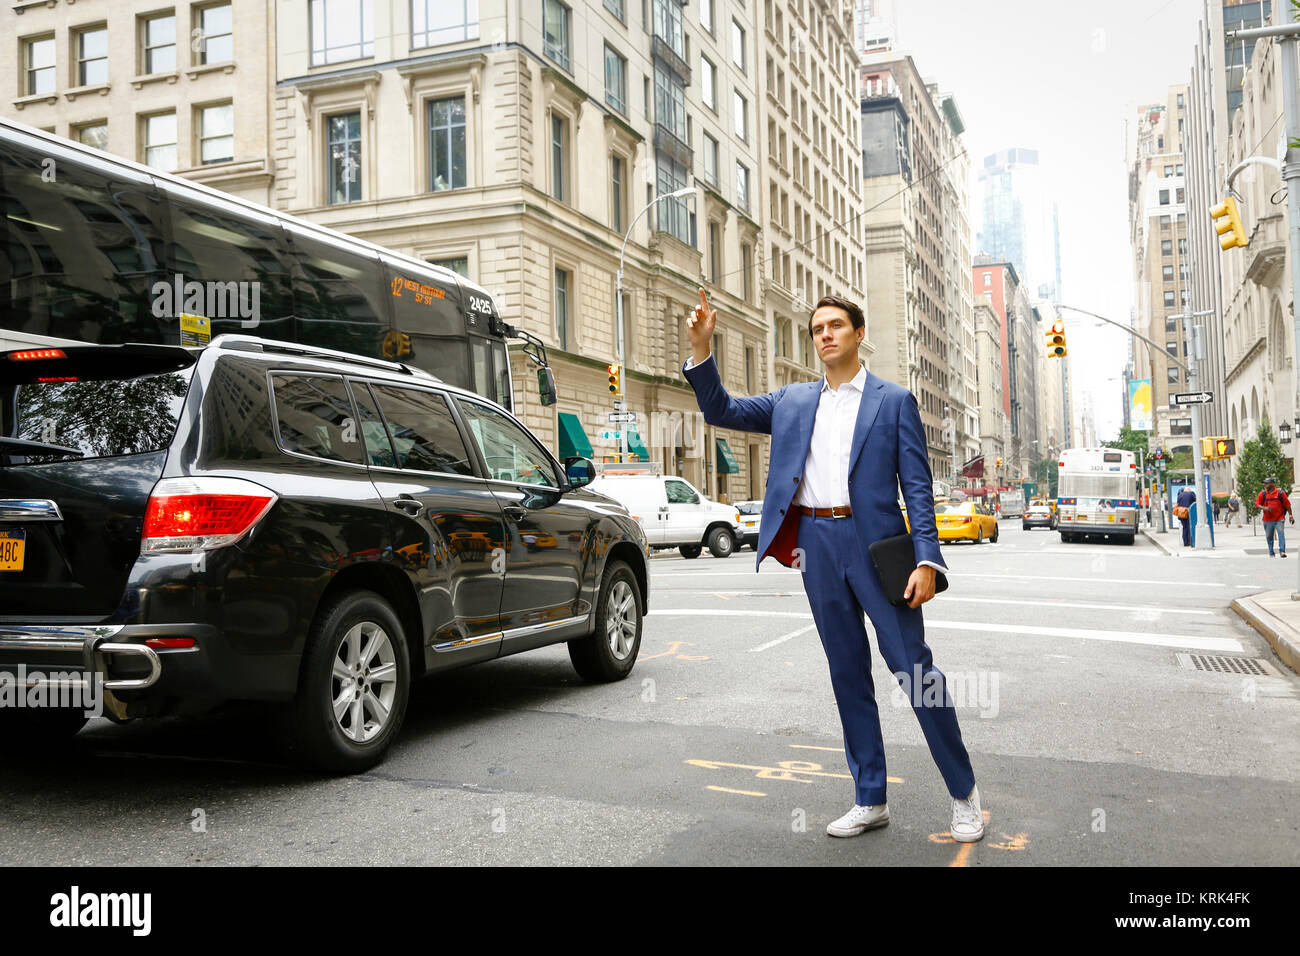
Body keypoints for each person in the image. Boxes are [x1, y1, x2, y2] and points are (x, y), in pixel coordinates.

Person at [682, 289, 983, 843]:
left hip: (878, 550)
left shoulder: (893, 402)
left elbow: (916, 488)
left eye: (836, 325)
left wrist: (927, 560)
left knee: (915, 672)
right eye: (818, 327)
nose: (824, 334)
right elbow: (720, 409)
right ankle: (870, 797)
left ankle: (964, 795)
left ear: (858, 333)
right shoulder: (793, 401)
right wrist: (702, 349)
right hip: (817, 545)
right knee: (847, 675)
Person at [1256, 477, 1294, 557]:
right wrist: (1264, 508)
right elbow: (1257, 504)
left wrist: (1291, 515)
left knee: (1281, 534)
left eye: (1267, 483)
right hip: (1267, 519)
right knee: (1269, 537)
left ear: (1273, 484)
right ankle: (1271, 552)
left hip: (1279, 518)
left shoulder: (1280, 493)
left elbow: (1287, 505)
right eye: (1265, 483)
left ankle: (1282, 551)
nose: (1265, 485)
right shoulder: (1263, 494)